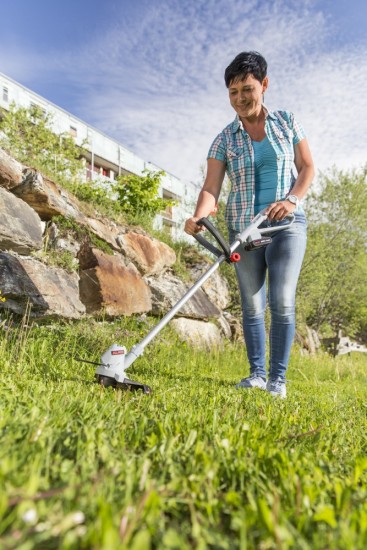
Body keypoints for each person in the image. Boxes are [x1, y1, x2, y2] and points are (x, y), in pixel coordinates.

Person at [184, 51, 314, 398]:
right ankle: (257, 374)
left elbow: (307, 168)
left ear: (264, 85)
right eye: (233, 92)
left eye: (247, 89)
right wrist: (200, 214)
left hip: (285, 224)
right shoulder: (225, 139)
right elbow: (211, 188)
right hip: (244, 230)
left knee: (282, 300)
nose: (240, 98)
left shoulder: (287, 122)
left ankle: (278, 380)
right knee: (252, 305)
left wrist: (290, 201)